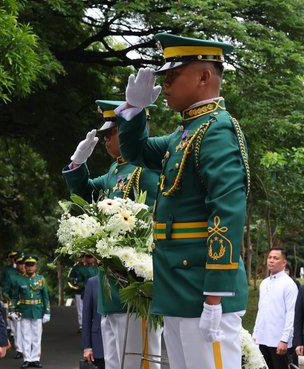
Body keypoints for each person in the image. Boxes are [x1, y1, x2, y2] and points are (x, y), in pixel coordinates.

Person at [115, 33, 250, 369]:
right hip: (177, 285)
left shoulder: (217, 129)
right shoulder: (185, 132)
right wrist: (134, 110)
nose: (167, 83)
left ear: (204, 77)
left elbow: (227, 211)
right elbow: (135, 152)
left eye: (174, 75)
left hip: (202, 285)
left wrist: (215, 295)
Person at [63, 99, 162, 369]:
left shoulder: (145, 170)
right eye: (104, 135)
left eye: (111, 134)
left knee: (138, 360)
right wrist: (77, 163)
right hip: (112, 288)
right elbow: (83, 195)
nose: (106, 140)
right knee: (116, 362)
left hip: (134, 283)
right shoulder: (114, 171)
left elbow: (150, 221)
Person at [254, 247, 298, 369]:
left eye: (276, 258)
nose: (271, 260)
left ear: (284, 263)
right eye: (270, 257)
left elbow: (291, 313)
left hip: (279, 341)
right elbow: (261, 310)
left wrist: (285, 339)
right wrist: (255, 334)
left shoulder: (289, 284)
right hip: (262, 339)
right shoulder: (264, 283)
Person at [9, 255, 50, 368]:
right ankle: (27, 358)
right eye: (28, 265)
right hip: (24, 310)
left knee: (37, 336)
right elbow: (14, 297)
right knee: (25, 335)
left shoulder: (40, 279)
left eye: (32, 265)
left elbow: (45, 297)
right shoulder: (19, 279)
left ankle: (36, 359)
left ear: (35, 266)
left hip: (37, 310)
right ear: (25, 266)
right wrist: (12, 310)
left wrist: (47, 312)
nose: (30, 267)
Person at [81, 276, 104, 369]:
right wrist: (87, 347)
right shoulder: (93, 282)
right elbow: (86, 317)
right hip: (99, 342)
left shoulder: (127, 281)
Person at [67, 255, 86, 332]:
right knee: (80, 308)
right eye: (80, 257)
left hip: (88, 290)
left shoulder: (90, 267)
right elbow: (70, 278)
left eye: (83, 257)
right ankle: (81, 325)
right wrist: (76, 282)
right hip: (79, 290)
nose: (81, 258)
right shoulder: (75, 267)